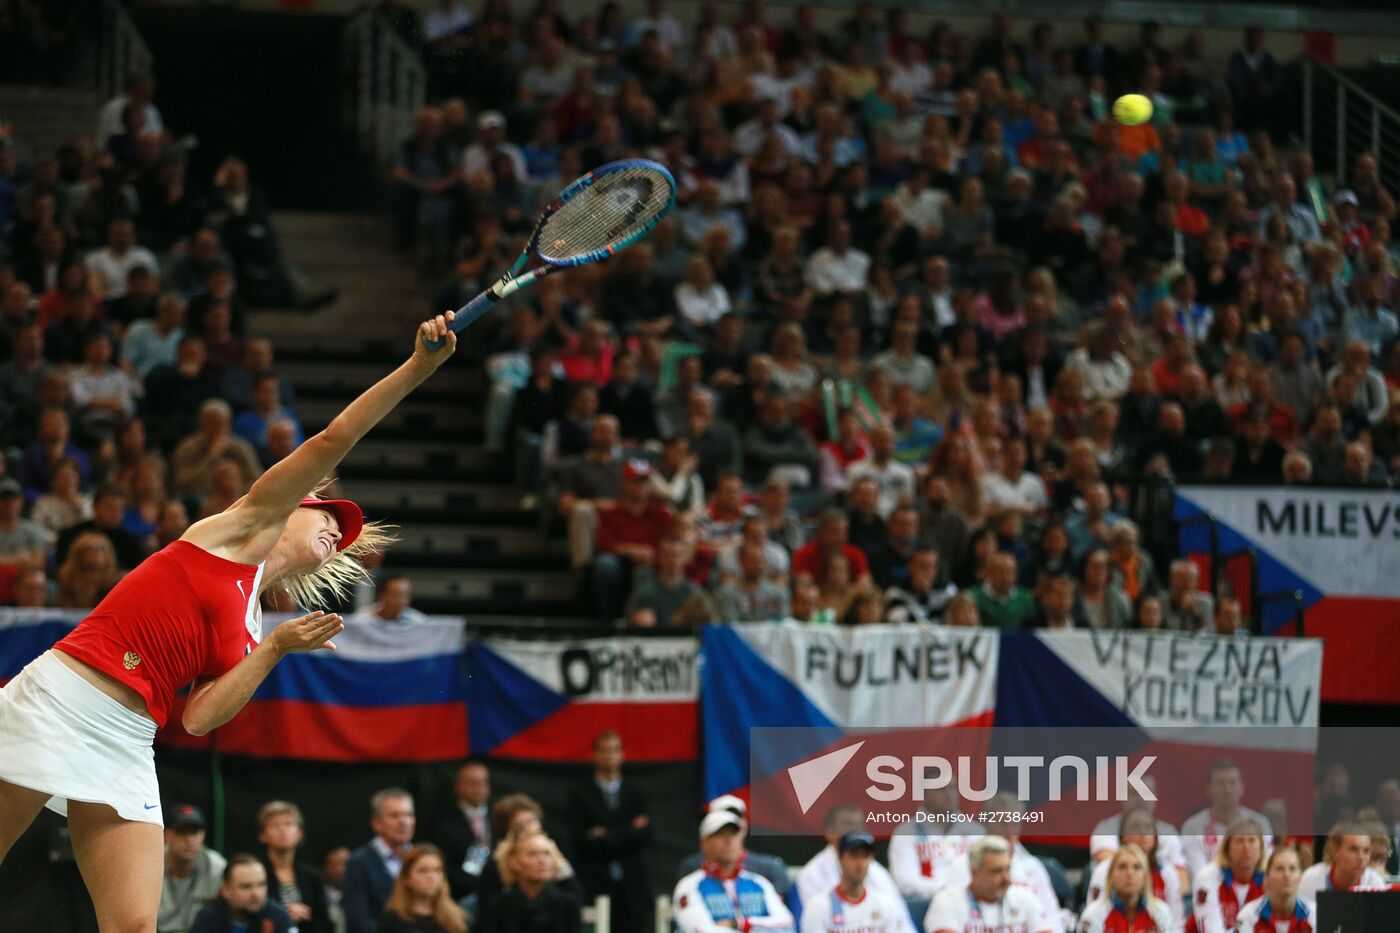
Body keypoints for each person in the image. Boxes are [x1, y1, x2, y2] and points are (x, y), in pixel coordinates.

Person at [568, 730, 653, 933]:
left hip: (633, 886)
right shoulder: (579, 794)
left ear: (622, 754)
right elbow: (580, 841)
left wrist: (604, 834)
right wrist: (628, 831)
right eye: (604, 751)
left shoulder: (635, 792)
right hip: (594, 882)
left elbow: (645, 835)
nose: (609, 756)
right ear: (594, 754)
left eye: (614, 750)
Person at [673, 810, 795, 933]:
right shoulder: (688, 885)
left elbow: (787, 925)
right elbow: (699, 930)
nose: (729, 840)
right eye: (720, 834)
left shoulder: (759, 882)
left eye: (734, 834)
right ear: (704, 843)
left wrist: (739, 924)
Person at [923, 836, 1054, 933]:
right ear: (974, 871)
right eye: (996, 871)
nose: (1006, 878)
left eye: (1007, 869)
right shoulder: (947, 901)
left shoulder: (1024, 897)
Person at [1083, 806, 1184, 930]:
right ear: (1122, 835)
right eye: (1135, 827)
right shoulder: (1104, 870)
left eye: (1148, 827)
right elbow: (1094, 916)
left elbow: (1177, 923)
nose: (1142, 833)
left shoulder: (1167, 874)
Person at [799, 831, 914, 933]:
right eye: (854, 856)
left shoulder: (886, 905)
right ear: (840, 858)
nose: (860, 863)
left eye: (865, 856)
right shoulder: (818, 907)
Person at [675, 795, 790, 896]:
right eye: (722, 826)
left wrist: (743, 921)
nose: (730, 820)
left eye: (737, 817)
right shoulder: (691, 868)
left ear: (745, 824)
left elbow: (782, 916)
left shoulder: (771, 868)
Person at [887, 783, 985, 901]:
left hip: (972, 902)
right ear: (924, 794)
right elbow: (906, 883)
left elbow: (986, 871)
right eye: (940, 789)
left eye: (952, 788)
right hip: (925, 904)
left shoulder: (975, 830)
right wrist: (950, 891)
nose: (948, 795)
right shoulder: (906, 832)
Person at [796, 804, 903, 910]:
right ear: (830, 832)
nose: (855, 830)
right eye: (848, 824)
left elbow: (901, 918)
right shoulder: (812, 873)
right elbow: (815, 920)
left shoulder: (876, 869)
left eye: (859, 825)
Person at [1180, 761, 1274, 880]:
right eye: (1220, 783)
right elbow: (1198, 875)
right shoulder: (1192, 827)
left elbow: (1266, 868)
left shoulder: (1261, 824)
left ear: (1242, 788)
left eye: (1232, 783)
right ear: (1208, 789)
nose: (1227, 789)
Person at [475, 829, 582, 933]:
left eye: (547, 853)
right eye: (533, 854)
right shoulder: (496, 909)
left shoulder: (567, 906)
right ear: (514, 861)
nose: (542, 860)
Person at [345, 788, 418, 933]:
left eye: (408, 815)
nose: (403, 822)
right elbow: (358, 922)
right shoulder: (359, 863)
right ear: (376, 823)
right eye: (394, 816)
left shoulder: (422, 858)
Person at [258, 800, 331, 933]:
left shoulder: (312, 877)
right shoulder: (255, 873)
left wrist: (306, 916)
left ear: (299, 834)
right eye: (275, 825)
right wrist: (283, 914)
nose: (283, 830)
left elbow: (325, 922)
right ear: (263, 835)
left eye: (289, 824)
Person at [159, 804, 228, 933]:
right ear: (166, 835)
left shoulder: (216, 867)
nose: (190, 840)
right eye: (182, 832)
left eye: (195, 833)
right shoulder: (152, 862)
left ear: (203, 835)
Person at [1190, 817, 1266, 933]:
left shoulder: (1271, 878)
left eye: (1252, 840)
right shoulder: (1207, 876)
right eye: (1239, 841)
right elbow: (1210, 930)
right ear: (1227, 847)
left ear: (1261, 848)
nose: (1246, 847)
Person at [1076, 843, 1175, 933]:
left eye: (1137, 867)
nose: (1130, 873)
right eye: (1122, 867)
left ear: (1145, 877)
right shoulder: (1093, 915)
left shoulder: (1161, 913)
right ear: (1111, 876)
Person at [430, 760, 492, 900]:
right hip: (459, 894)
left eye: (483, 783)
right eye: (472, 783)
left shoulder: (498, 816)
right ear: (458, 786)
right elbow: (442, 862)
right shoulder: (443, 821)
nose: (479, 788)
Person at [190, 854, 296, 933]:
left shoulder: (278, 917)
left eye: (261, 885)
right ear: (226, 890)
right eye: (246, 887)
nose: (256, 894)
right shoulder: (208, 918)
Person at [375, 844, 467, 933]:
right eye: (423, 871)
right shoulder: (392, 921)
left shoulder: (455, 919)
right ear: (406, 877)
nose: (431, 877)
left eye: (437, 870)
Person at [1235, 847, 1315, 933]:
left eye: (1292, 868)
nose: (1287, 875)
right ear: (1266, 878)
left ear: (1300, 877)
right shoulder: (1247, 916)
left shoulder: (1315, 915)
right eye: (1280, 869)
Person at [1297, 825, 1385, 900]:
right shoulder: (1311, 880)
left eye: (1366, 851)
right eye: (1353, 849)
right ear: (1335, 851)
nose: (1361, 857)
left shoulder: (1375, 883)